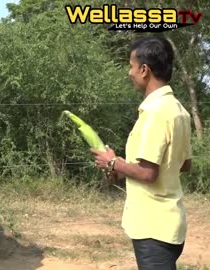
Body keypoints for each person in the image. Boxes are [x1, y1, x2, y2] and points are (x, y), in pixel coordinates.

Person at [91, 36, 192, 270]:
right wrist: (122, 166)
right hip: (171, 223)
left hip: (153, 228)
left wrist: (112, 162)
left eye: (131, 65)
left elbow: (148, 173)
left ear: (144, 69)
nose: (129, 72)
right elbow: (184, 164)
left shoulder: (155, 112)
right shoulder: (179, 110)